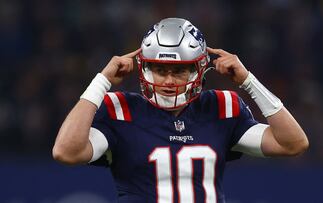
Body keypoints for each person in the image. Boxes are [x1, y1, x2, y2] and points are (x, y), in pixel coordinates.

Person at [53, 18, 309, 203]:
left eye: (179, 70)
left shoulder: (221, 107)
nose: (167, 80)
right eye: (159, 69)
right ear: (144, 69)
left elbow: (292, 144)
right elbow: (66, 151)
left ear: (198, 70)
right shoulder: (120, 110)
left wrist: (248, 82)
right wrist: (102, 81)